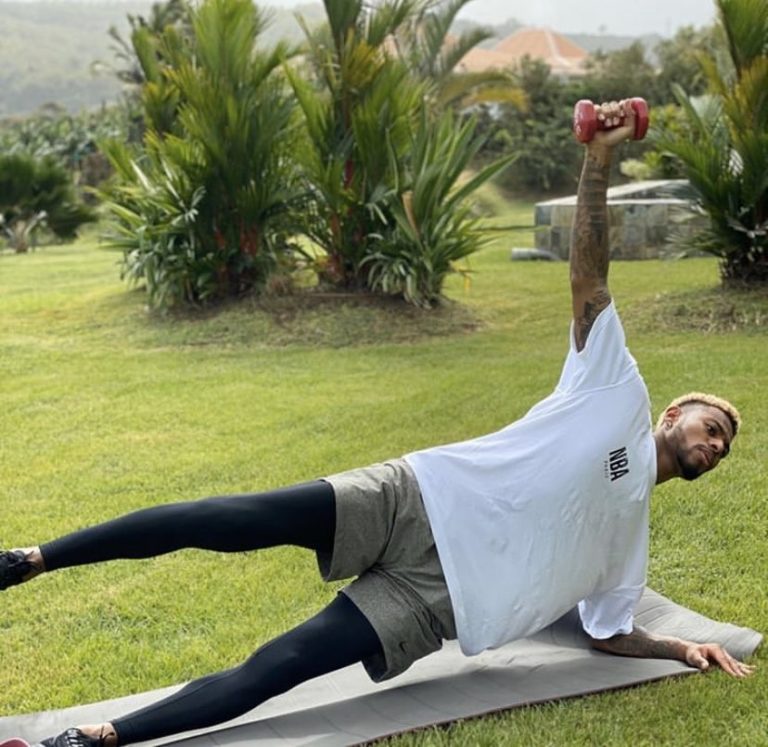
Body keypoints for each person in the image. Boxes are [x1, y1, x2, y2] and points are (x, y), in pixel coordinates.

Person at [0, 101, 754, 747]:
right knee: (225, 517)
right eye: (712, 422)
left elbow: (609, 630)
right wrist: (598, 160)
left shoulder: (631, 540)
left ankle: (96, 737)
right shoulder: (615, 385)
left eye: (723, 444)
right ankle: (29, 560)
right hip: (418, 494)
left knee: (283, 662)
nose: (715, 443)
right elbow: (589, 277)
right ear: (673, 411)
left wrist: (680, 646)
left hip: (438, 599)